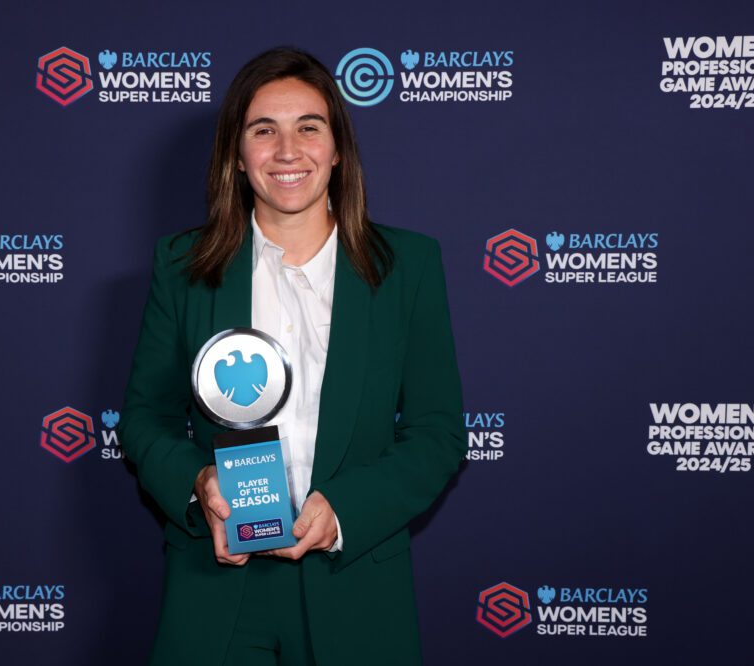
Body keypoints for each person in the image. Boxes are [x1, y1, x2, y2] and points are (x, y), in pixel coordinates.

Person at [119, 47, 464, 666]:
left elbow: (438, 432)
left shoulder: (407, 267)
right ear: (237, 155)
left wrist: (346, 512)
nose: (287, 151)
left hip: (354, 581)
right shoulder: (182, 267)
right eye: (263, 130)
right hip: (217, 582)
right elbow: (146, 419)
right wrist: (199, 485)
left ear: (337, 149)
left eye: (309, 127)